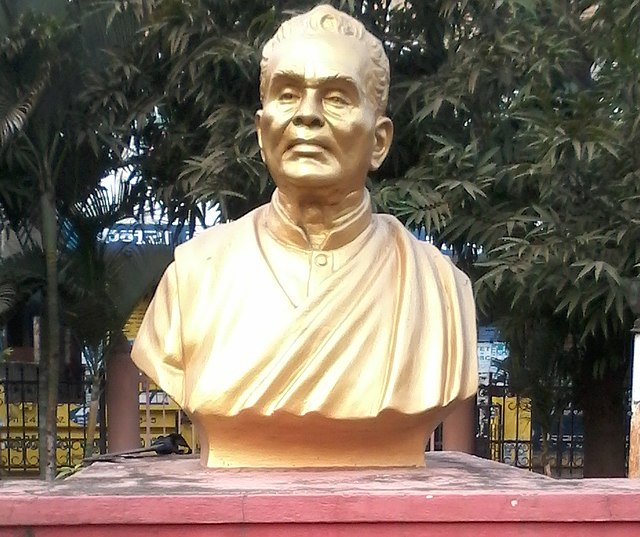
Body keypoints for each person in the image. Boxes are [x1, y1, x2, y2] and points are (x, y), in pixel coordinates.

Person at [131, 4, 478, 468]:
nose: (308, 115)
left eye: (336, 97)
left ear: (379, 141)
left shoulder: (438, 290)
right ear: (261, 131)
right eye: (288, 94)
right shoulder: (195, 277)